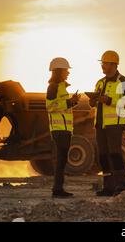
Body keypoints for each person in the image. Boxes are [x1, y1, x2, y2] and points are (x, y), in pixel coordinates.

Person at [89, 50, 125, 196]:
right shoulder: (99, 82)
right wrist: (93, 101)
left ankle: (122, 185)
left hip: (115, 124)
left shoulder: (124, 81)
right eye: (102, 63)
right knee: (102, 155)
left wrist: (109, 100)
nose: (102, 66)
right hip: (100, 124)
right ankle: (108, 187)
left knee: (115, 154)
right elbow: (96, 104)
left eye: (105, 63)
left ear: (113, 64)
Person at [46, 57, 80, 198]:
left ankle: (58, 189)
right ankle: (57, 190)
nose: (68, 73)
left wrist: (72, 102)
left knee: (62, 160)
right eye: (66, 70)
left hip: (65, 130)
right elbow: (50, 107)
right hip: (59, 130)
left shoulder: (61, 87)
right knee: (61, 160)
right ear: (59, 71)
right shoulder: (53, 87)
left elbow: (62, 105)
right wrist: (68, 102)